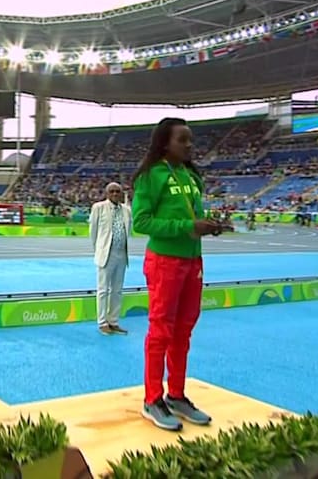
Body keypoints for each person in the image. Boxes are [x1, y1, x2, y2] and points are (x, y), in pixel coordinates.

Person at [131, 117, 221, 432]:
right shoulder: (150, 177)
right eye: (182, 140)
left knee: (183, 331)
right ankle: (152, 399)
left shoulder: (189, 174)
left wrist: (208, 225)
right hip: (165, 262)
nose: (189, 145)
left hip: (193, 262)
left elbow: (190, 217)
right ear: (165, 143)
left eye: (190, 140)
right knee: (161, 332)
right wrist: (187, 227)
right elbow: (140, 223)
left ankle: (177, 395)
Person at [88, 182, 131, 335]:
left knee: (117, 290)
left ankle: (113, 321)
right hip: (106, 253)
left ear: (121, 193)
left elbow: (129, 231)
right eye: (111, 191)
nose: (115, 194)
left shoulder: (126, 210)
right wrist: (98, 250)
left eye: (117, 191)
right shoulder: (98, 208)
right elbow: (93, 232)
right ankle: (102, 322)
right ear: (107, 193)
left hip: (121, 254)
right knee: (103, 290)